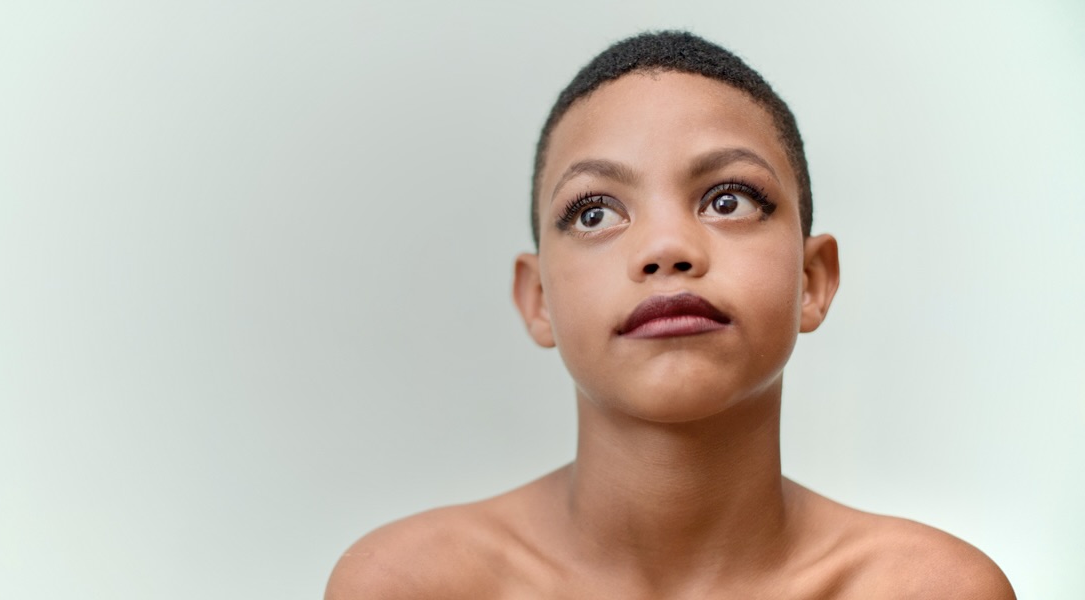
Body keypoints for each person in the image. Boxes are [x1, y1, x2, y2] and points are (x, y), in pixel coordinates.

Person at [325, 30, 1014, 599]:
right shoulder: (409, 584)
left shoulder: (935, 588)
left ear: (812, 280)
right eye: (594, 212)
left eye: (729, 199)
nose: (666, 248)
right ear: (538, 300)